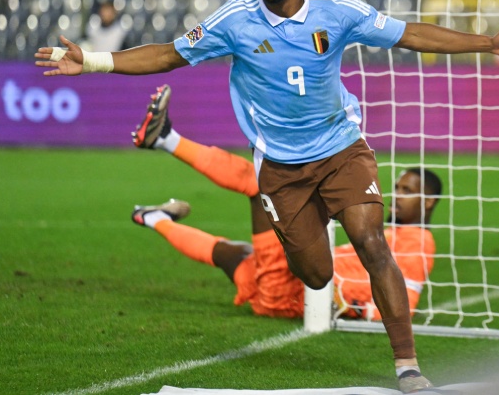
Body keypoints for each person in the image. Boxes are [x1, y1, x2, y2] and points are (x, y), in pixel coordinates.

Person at [35, 0, 499, 393]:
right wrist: (93, 61)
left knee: (372, 241)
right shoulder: (235, 19)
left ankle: (407, 366)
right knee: (316, 276)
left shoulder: (335, 8)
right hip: (281, 167)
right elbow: (168, 54)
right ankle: (295, 223)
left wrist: (488, 44)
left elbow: (408, 33)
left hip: (341, 148)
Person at [130, 85, 438, 320]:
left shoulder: (420, 241)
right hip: (286, 287)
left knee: (257, 183)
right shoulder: (388, 232)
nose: (397, 196)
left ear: (428, 203)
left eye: (408, 191)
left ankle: (164, 139)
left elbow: (404, 305)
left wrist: (349, 306)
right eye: (398, 187)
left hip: (290, 291)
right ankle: (153, 218)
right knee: (229, 251)